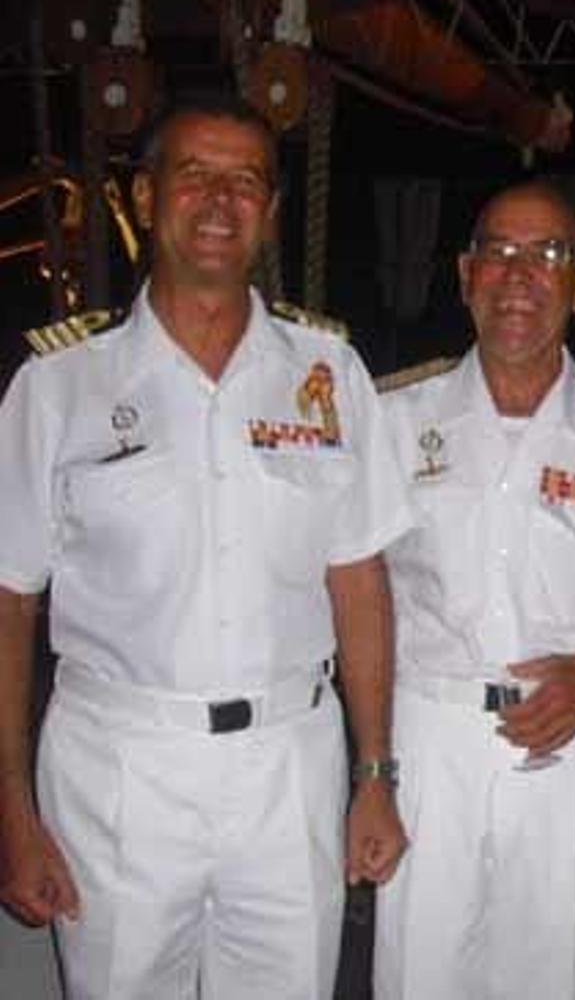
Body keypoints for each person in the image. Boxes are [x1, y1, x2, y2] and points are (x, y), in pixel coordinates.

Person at [0, 94, 413, 999]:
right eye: (195, 175)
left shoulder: (328, 373)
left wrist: (376, 771)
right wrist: (11, 807)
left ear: (271, 209)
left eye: (246, 181)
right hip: (119, 770)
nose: (221, 201)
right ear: (145, 197)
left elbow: (359, 582)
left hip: (289, 766)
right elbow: (9, 599)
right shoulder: (60, 384)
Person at [373, 180, 575, 1000]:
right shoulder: (394, 415)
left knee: (552, 979)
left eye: (548, 254)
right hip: (428, 740)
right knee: (415, 979)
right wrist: (370, 767)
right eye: (499, 251)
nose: (519, 275)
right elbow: (357, 593)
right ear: (464, 273)